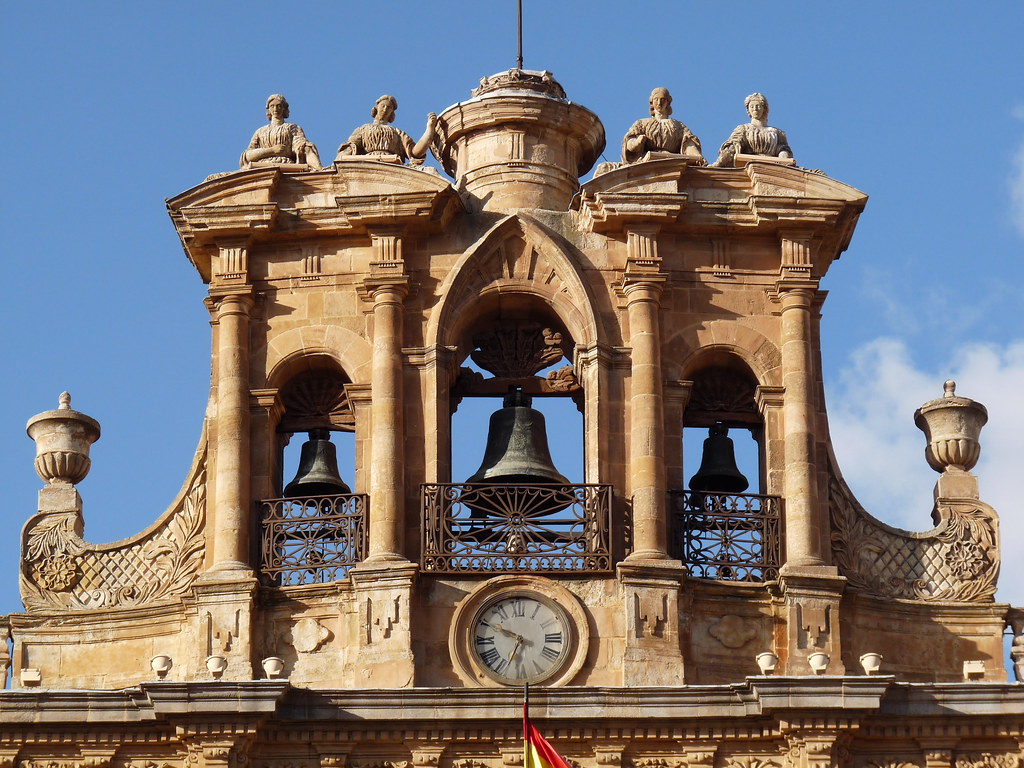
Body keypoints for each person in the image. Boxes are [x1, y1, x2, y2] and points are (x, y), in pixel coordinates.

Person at [336, 95, 437, 165]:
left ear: (392, 113)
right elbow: (350, 148)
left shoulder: (397, 133)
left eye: (389, 108)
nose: (385, 109)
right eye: (383, 106)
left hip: (392, 166)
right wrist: (340, 160)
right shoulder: (363, 129)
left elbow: (415, 153)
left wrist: (430, 128)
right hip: (367, 165)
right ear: (376, 108)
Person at [621, 87, 705, 164]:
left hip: (673, 160)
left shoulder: (678, 126)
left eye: (663, 99)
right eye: (656, 99)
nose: (659, 103)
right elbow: (629, 143)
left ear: (668, 102)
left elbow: (688, 142)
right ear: (651, 102)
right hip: (647, 161)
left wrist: (696, 156)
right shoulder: (642, 123)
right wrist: (637, 142)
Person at [240, 94, 322, 169]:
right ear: (268, 109)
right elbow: (247, 156)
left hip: (287, 165)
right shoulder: (260, 131)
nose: (275, 109)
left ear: (284, 108)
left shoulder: (293, 128)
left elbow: (304, 148)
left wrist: (319, 169)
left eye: (278, 106)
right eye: (272, 106)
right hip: (263, 167)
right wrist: (272, 150)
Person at [713, 93, 793, 167]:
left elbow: (784, 150)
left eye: (758, 106)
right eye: (751, 107)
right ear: (748, 110)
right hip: (747, 165)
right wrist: (719, 163)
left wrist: (783, 156)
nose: (755, 109)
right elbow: (731, 147)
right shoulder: (743, 129)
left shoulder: (777, 133)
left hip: (773, 167)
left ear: (764, 108)